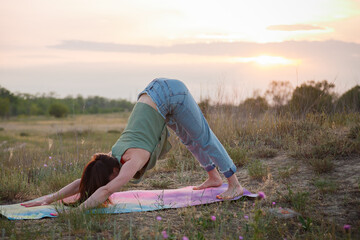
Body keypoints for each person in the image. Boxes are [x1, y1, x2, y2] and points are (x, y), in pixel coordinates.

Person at [22, 78, 244, 211]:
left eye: (112, 178)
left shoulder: (131, 161)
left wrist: (75, 212)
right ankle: (214, 178)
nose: (115, 183)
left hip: (170, 92)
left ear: (115, 171)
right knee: (189, 140)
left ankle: (234, 184)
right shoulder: (111, 157)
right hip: (154, 96)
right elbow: (84, 181)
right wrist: (47, 199)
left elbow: (107, 188)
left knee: (203, 137)